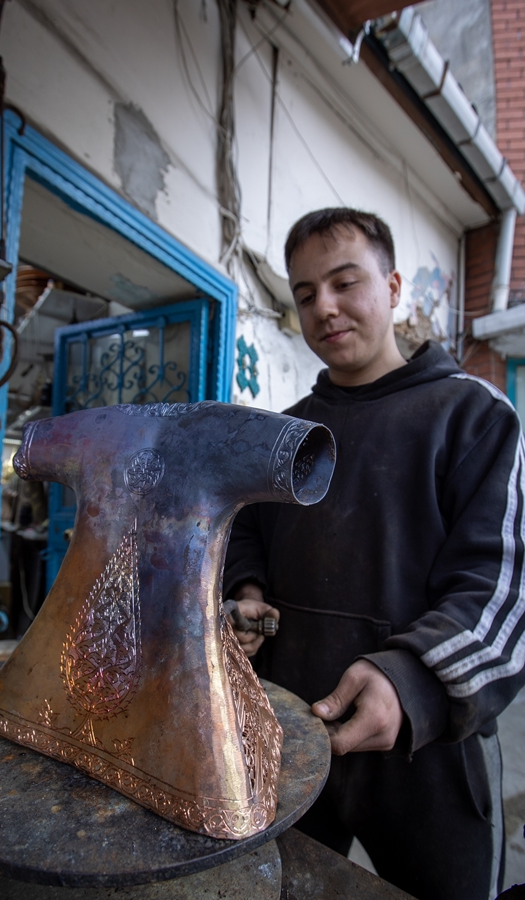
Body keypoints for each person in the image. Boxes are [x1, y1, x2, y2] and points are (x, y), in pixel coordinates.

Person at [224, 208, 525, 900]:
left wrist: (413, 680)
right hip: (292, 736)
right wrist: (245, 591)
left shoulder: (473, 415)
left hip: (429, 751)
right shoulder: (287, 432)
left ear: (393, 288)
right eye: (304, 294)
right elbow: (246, 531)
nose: (323, 307)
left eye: (344, 282)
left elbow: (504, 589)